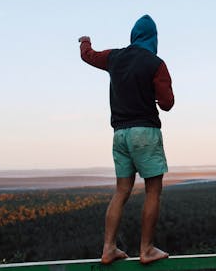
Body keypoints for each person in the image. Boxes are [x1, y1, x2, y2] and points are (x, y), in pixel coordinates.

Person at [78, 15, 174, 265]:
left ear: (133, 36)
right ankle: (147, 248)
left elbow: (88, 56)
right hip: (145, 132)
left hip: (119, 135)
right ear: (153, 38)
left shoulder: (115, 57)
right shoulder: (156, 63)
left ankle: (108, 248)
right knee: (153, 190)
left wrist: (85, 42)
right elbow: (167, 104)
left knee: (122, 190)